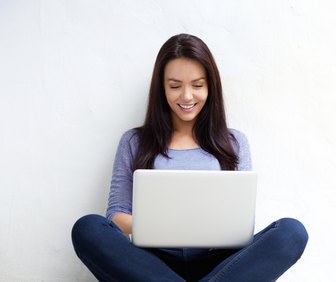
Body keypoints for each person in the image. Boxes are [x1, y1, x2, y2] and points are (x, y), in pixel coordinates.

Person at [71, 33, 308, 282]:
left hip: (221, 265)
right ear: (161, 88)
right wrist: (164, 227)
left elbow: (240, 223)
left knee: (291, 233)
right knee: (88, 228)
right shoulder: (134, 141)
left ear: (210, 87)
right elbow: (116, 216)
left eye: (197, 85)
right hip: (151, 265)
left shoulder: (234, 143)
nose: (186, 96)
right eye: (175, 86)